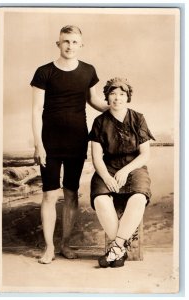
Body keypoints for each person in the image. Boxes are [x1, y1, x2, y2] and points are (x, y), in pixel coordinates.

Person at [30, 25, 108, 264]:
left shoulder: (88, 71)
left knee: (72, 193)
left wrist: (115, 107)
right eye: (66, 41)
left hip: (77, 141)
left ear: (80, 45)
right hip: (50, 143)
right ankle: (49, 248)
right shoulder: (44, 72)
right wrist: (38, 145)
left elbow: (93, 100)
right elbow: (35, 111)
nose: (70, 46)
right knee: (49, 195)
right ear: (58, 44)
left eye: (74, 42)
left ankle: (65, 244)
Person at [89, 77, 155, 268]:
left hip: (134, 166)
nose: (117, 98)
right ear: (107, 98)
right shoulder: (99, 122)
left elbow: (145, 155)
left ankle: (116, 248)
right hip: (107, 168)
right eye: (112, 94)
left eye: (121, 94)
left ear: (127, 97)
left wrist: (126, 170)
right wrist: (107, 177)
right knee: (100, 199)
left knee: (139, 198)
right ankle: (121, 249)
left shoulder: (138, 118)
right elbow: (97, 157)